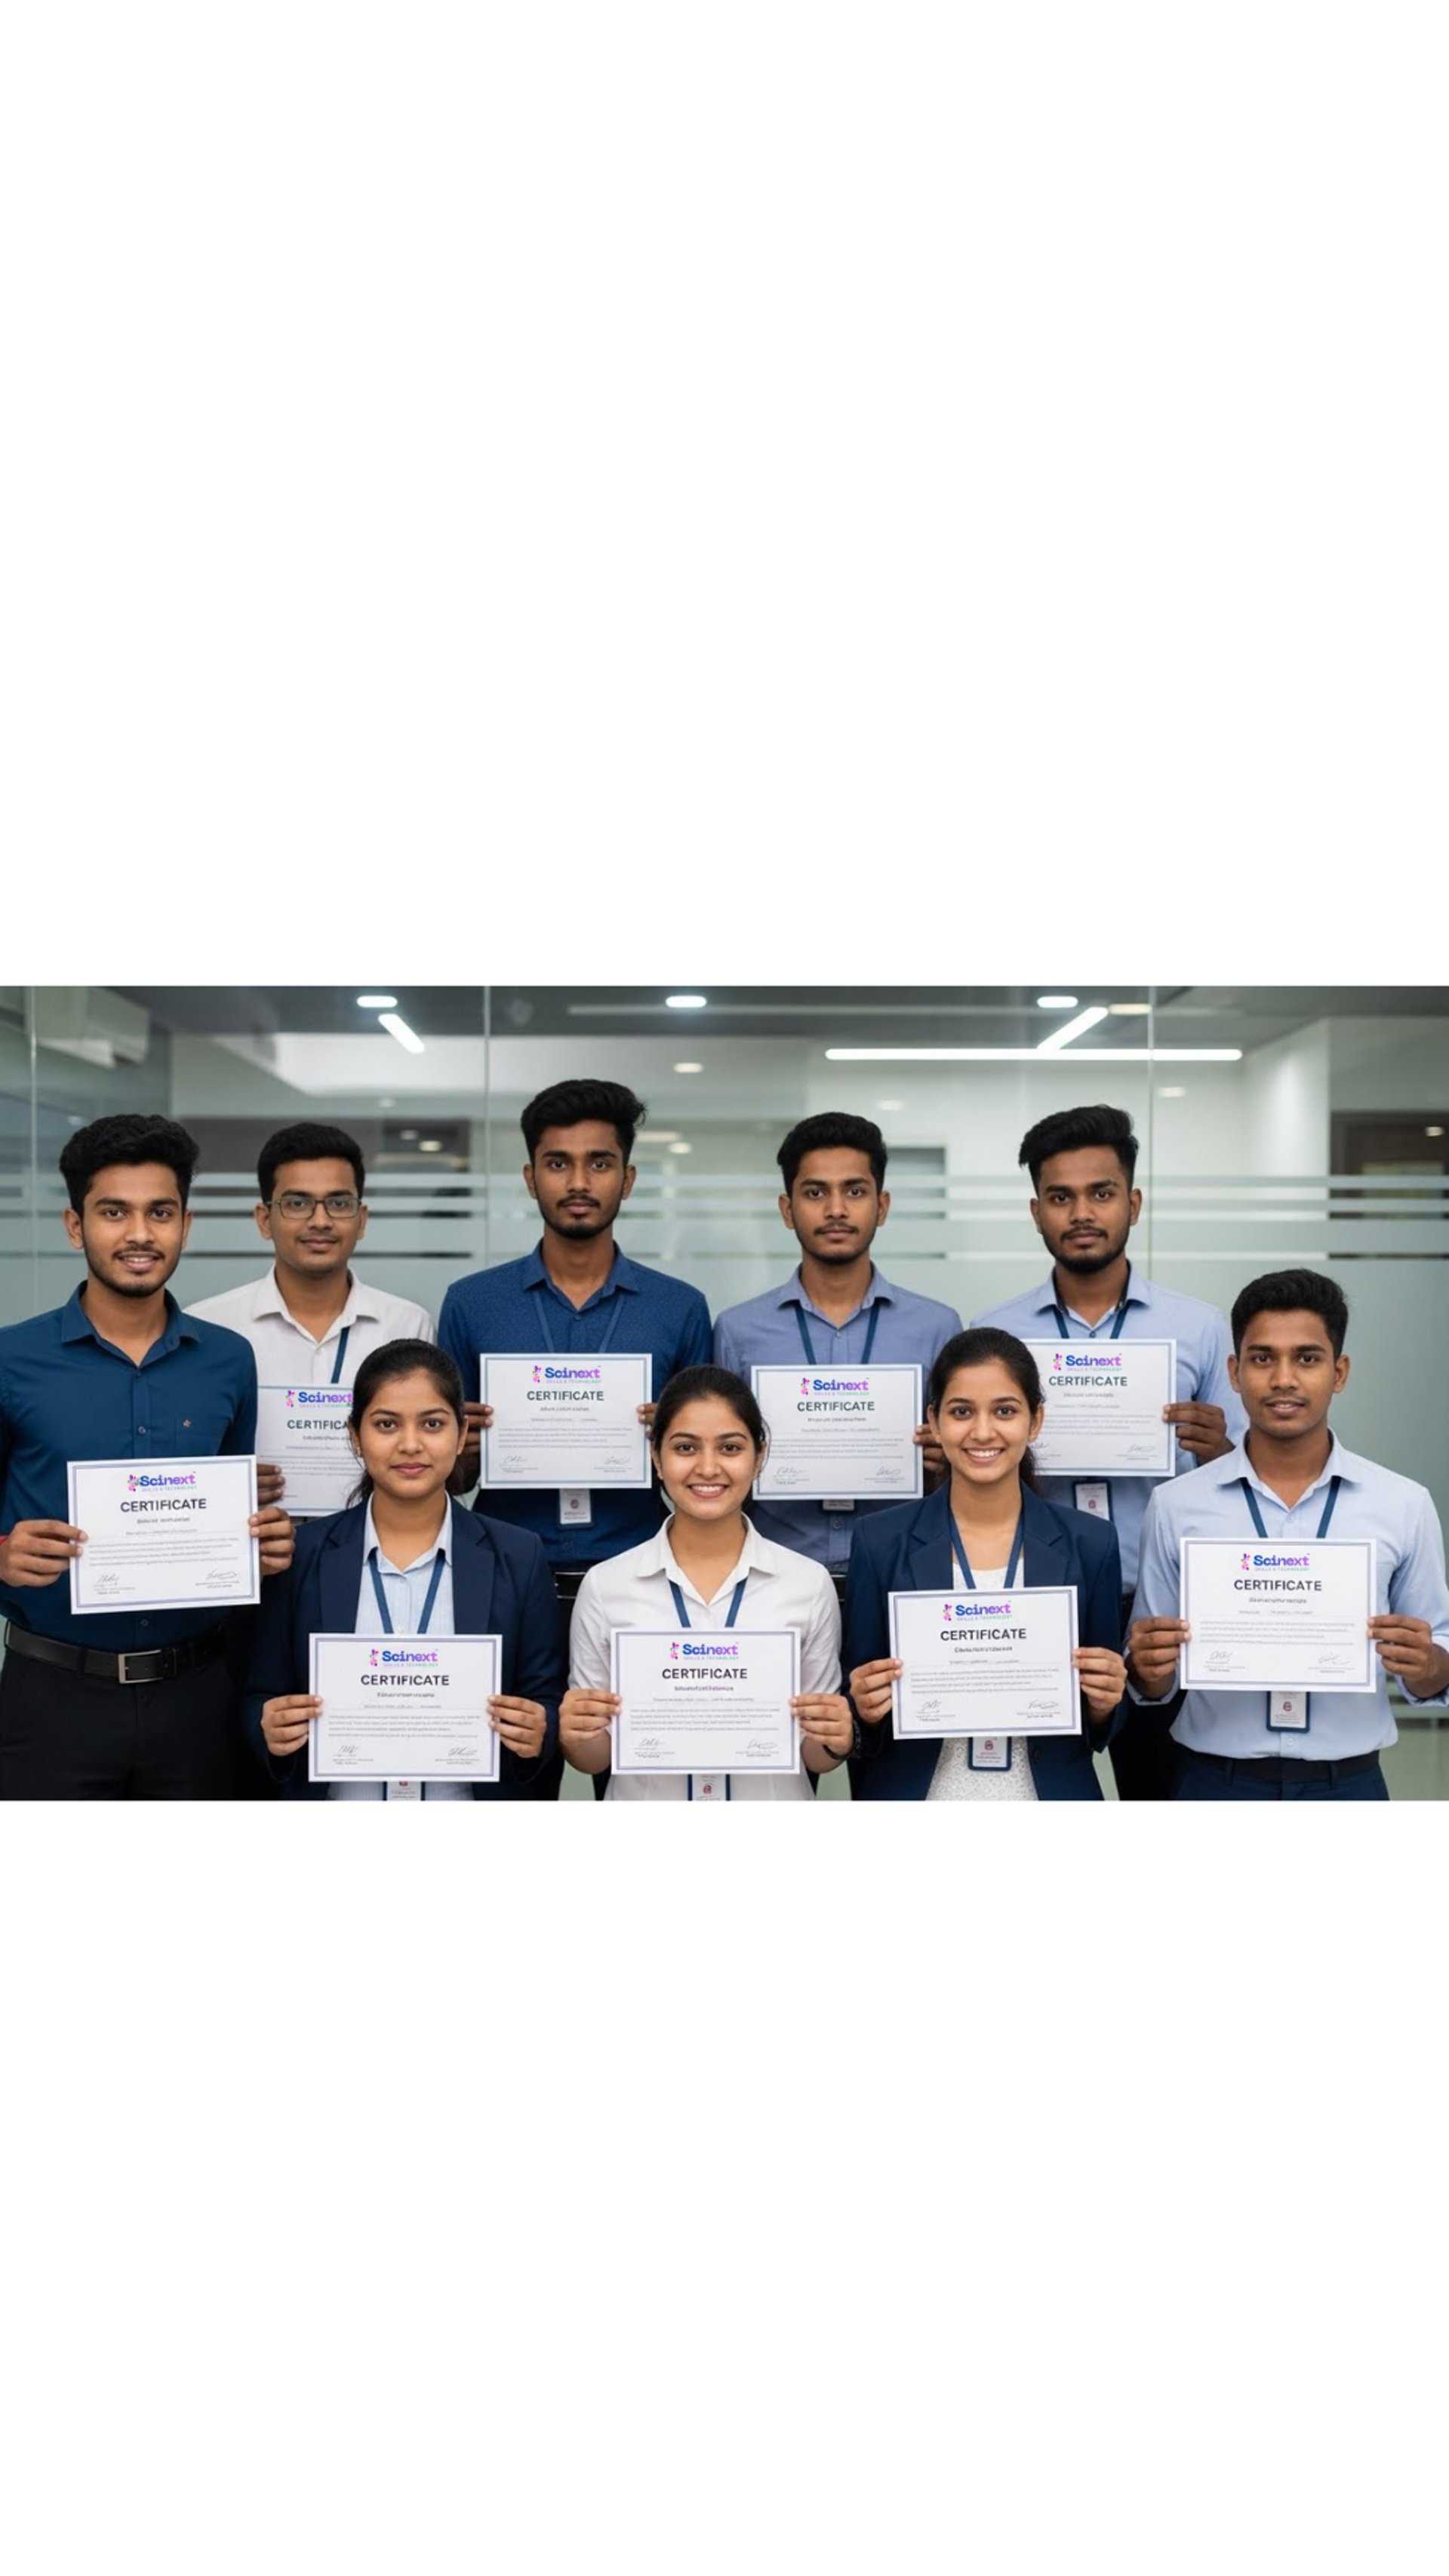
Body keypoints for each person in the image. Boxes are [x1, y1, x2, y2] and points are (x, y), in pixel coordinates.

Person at [0, 1114, 294, 1799]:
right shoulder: (11, 1358)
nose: (139, 1233)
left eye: (160, 1212)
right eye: (114, 1212)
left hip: (197, 1698)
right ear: (75, 1225)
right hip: (52, 1698)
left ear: (186, 1224)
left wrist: (257, 1542)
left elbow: (232, 1510)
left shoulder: (229, 1360)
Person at [972, 1103, 1245, 1801]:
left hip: (1160, 1608)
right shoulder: (995, 1334)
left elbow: (1249, 1483)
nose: (1082, 1213)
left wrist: (1220, 1449)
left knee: (1161, 1797)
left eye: (1101, 1192)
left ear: (1134, 1203)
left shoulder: (1200, 1328)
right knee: (1034, 1792)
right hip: (1037, 1599)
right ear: (1037, 1212)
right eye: (1061, 1197)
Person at [1126, 1270, 1449, 1800]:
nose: (1283, 1379)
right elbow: (1152, 1680)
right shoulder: (1176, 1504)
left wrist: (1429, 1663)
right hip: (1214, 1784)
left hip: (1350, 1786)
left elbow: (1438, 1661)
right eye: (1262, 1358)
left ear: (1339, 1372)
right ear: (1235, 1372)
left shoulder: (1403, 1504)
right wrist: (1146, 1668)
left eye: (1307, 1358)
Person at [436, 1076, 712, 1605]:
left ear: (628, 1179)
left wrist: (677, 1441)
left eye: (600, 1163)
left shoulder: (679, 1308)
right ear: (530, 1177)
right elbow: (453, 1478)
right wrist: (455, 1448)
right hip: (502, 1567)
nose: (579, 1182)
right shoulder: (472, 1303)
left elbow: (707, 1473)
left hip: (643, 1570)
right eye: (558, 1163)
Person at [245, 1341, 563, 1799]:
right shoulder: (303, 1555)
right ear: (355, 1436)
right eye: (386, 1424)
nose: (410, 1444)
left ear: (461, 1433)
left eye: (432, 1424)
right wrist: (269, 1729)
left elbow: (546, 1700)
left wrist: (540, 1729)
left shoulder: (518, 1555)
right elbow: (258, 1695)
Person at [841, 1328, 1127, 1799]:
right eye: (961, 1412)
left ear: (1036, 1421)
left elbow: (1103, 1727)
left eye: (1005, 1411)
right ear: (934, 1422)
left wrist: (1105, 1701)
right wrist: (864, 1709)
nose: (982, 1432)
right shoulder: (880, 1541)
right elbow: (858, 1715)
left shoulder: (1092, 1542)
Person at [560, 1365, 852, 1800]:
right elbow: (594, 1760)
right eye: (686, 1448)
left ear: (760, 1456)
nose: (709, 1468)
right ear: (657, 1458)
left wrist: (835, 1740)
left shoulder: (808, 1584)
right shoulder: (605, 1586)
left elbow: (815, 1756)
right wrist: (576, 1737)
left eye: (730, 1448)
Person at [712, 1113, 962, 1583]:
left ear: (882, 1206)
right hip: (773, 1578)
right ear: (787, 1210)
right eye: (815, 1193)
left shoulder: (937, 1326)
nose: (836, 1210)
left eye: (855, 1191)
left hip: (903, 1571)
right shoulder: (738, 1331)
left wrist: (947, 1459)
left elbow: (963, 1457)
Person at [186, 1120, 432, 1507]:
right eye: (297, 1204)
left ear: (362, 1219)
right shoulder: (207, 1327)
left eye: (339, 1203)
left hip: (371, 1540)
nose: (320, 1221)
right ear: (264, 1219)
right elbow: (184, 1455)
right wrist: (226, 1483)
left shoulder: (407, 1325)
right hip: (254, 1539)